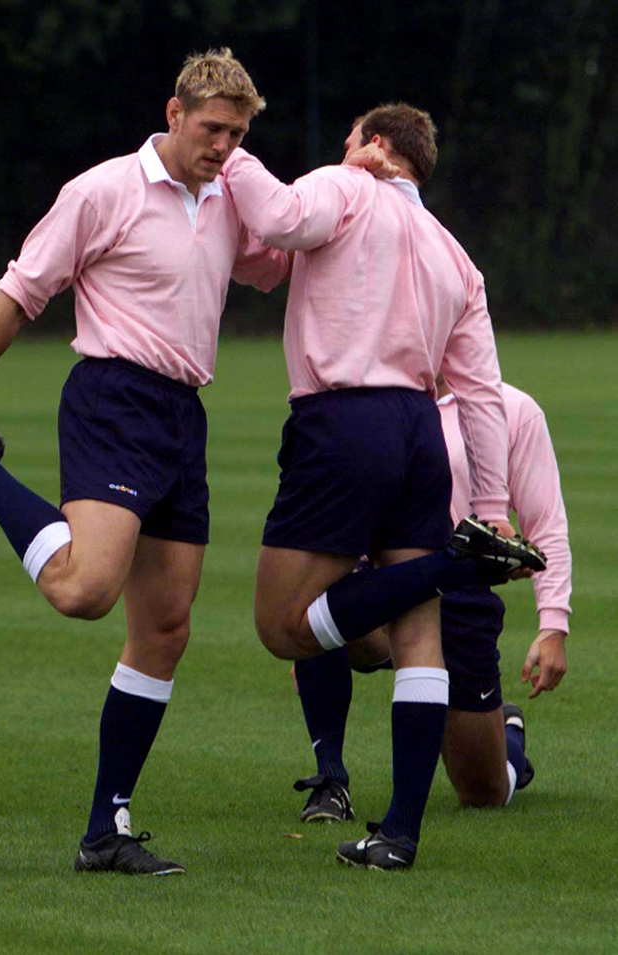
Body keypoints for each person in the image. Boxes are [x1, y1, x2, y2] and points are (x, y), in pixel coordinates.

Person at [0, 49, 289, 874]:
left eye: (238, 135)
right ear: (173, 113)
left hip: (182, 417)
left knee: (165, 630)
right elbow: (16, 297)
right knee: (83, 588)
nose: (223, 147)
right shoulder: (102, 191)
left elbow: (281, 263)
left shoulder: (232, 194)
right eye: (213, 129)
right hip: (113, 400)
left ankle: (106, 829)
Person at [216, 104, 545, 870]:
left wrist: (228, 152)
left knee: (283, 625)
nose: (342, 152)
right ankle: (398, 834)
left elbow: (276, 211)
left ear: (379, 146)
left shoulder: (347, 184)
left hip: (343, 422)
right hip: (420, 430)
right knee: (415, 631)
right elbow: (483, 394)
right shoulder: (454, 252)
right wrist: (491, 509)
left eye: (350, 140)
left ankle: (454, 564)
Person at [289, 379, 570, 826]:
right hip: (381, 580)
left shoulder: (513, 409)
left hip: (460, 595)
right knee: (318, 601)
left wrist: (552, 624)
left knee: (484, 792)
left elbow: (546, 524)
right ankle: (330, 782)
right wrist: (311, 637)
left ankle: (509, 736)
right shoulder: (371, 399)